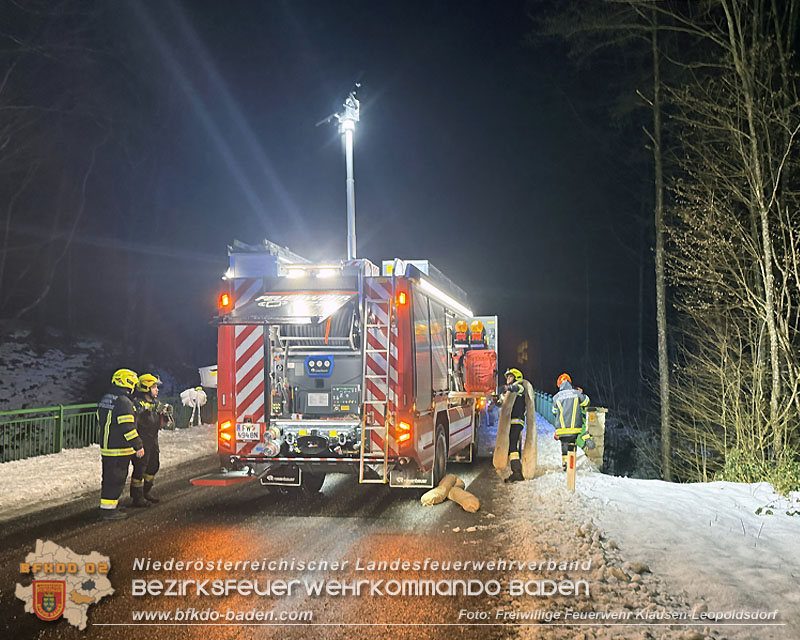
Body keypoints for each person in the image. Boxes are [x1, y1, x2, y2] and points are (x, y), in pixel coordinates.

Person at [97, 368, 144, 520]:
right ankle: (108, 511)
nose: (134, 388)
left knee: (109, 478)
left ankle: (110, 506)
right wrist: (138, 445)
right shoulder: (124, 402)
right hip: (118, 448)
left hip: (107, 446)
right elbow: (127, 427)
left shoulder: (106, 398)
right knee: (116, 480)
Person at [131, 374, 171, 506]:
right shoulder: (136, 402)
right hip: (142, 440)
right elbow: (134, 419)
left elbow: (160, 422)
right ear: (146, 388)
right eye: (154, 387)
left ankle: (146, 492)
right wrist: (145, 409)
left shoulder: (156, 402)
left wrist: (166, 416)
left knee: (154, 466)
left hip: (153, 439)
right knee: (140, 468)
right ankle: (137, 498)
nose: (157, 390)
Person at [552, 372, 592, 471]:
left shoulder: (556, 397)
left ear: (559, 385)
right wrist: (580, 392)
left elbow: (554, 412)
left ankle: (565, 463)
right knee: (571, 444)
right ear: (569, 382)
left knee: (564, 444)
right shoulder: (576, 393)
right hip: (574, 428)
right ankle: (571, 464)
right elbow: (587, 402)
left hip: (561, 430)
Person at [494, 368, 527, 483]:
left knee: (513, 445)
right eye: (507, 377)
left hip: (517, 420)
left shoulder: (520, 387)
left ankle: (517, 472)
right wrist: (496, 399)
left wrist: (508, 387)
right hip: (511, 421)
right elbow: (502, 403)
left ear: (516, 378)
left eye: (510, 376)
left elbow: (517, 388)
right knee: (512, 446)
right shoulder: (509, 392)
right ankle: (517, 469)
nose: (508, 378)